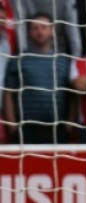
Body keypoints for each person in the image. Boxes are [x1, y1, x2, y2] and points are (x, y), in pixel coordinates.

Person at [3, 14, 72, 144]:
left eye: (43, 27)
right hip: (26, 130)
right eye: (35, 28)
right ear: (29, 32)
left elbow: (73, 96)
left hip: (57, 129)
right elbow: (8, 93)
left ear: (52, 31)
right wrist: (12, 125)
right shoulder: (18, 60)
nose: (39, 31)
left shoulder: (64, 61)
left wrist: (70, 124)